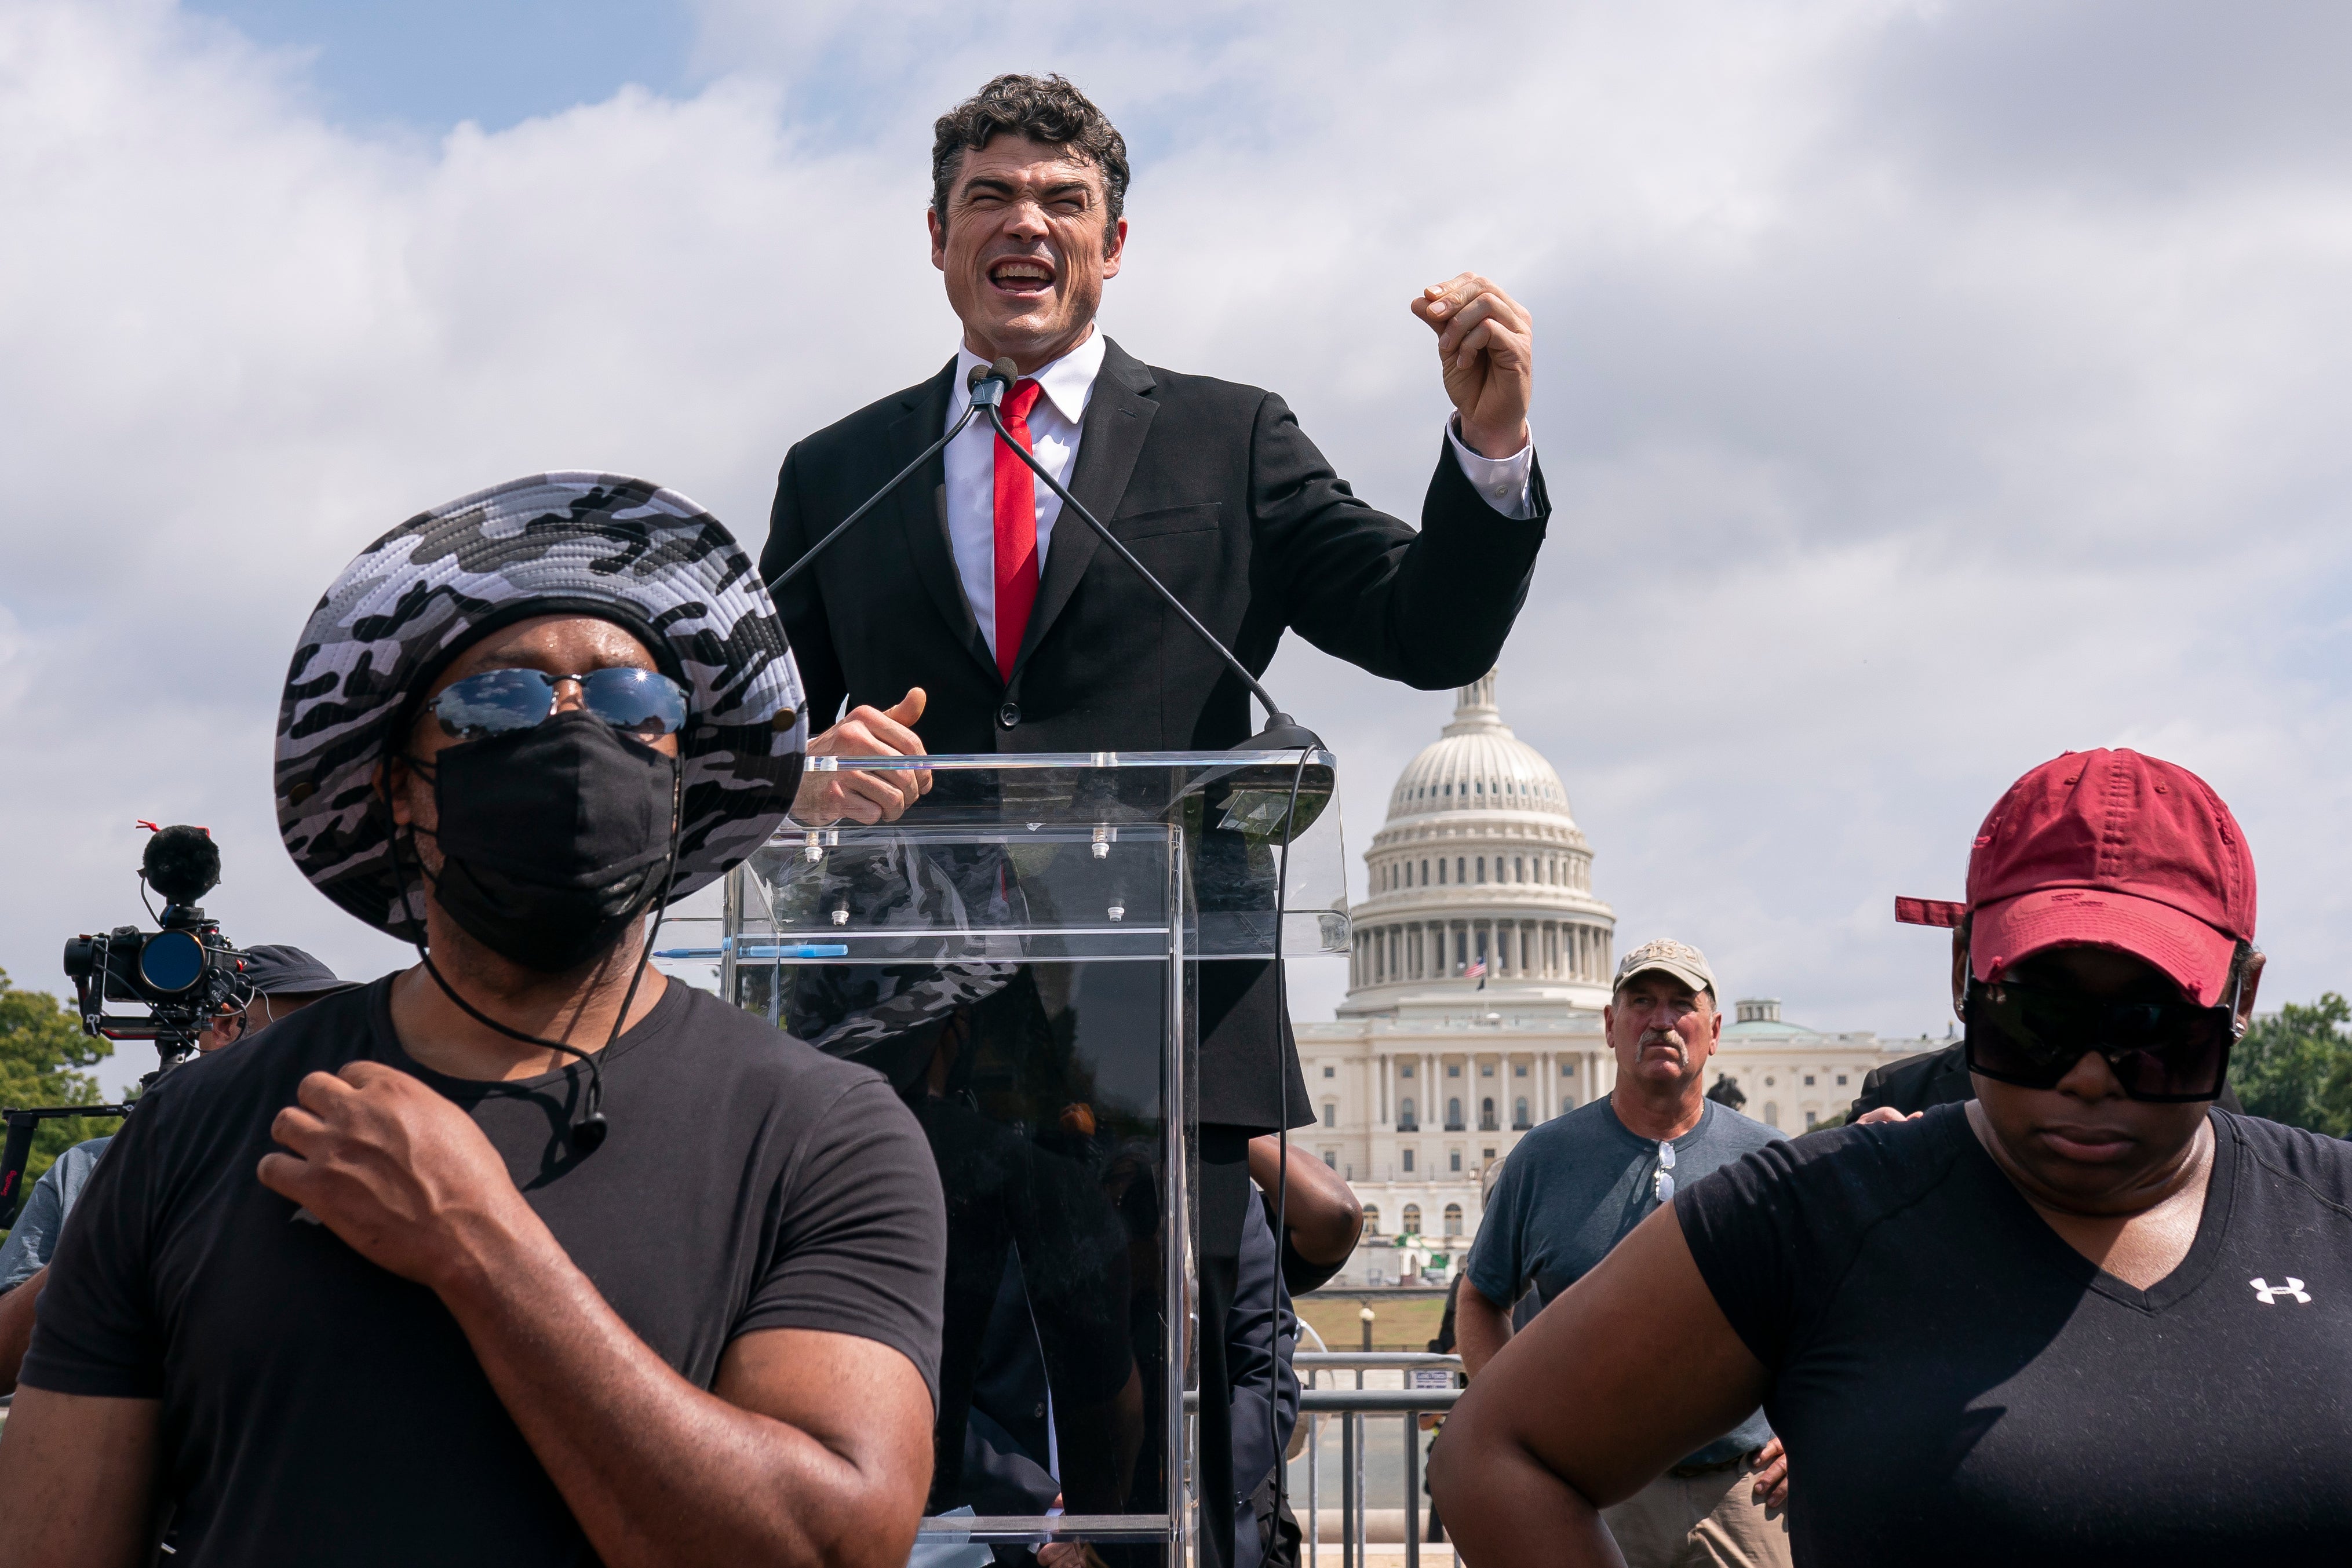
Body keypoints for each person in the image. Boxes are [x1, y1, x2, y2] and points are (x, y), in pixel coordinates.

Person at [758, 73, 1547, 1567]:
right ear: (934, 238)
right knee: (897, 1459)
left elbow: (1420, 624)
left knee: (1151, 1481)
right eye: (990, 197)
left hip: (1152, 1049)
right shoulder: (837, 470)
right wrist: (798, 760)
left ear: (1115, 244)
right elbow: (745, 720)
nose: (1025, 226)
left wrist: (1487, 451)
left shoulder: (1225, 441)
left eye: (1061, 202)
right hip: (900, 1054)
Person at [0, 475, 946, 1568]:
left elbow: (824, 1547)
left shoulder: (821, 1135)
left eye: (636, 708)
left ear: (683, 774)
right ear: (400, 785)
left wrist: (481, 1247)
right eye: (496, 704)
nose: (575, 736)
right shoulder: (197, 1130)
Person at [1430, 747, 2352, 1566]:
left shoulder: (2335, 1214)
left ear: (2241, 996)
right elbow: (1496, 1452)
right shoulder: (1808, 1215)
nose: (2085, 1074)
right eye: (2035, 1014)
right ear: (1961, 975)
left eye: (2150, 1024)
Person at [1452, 939, 1790, 1567]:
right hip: (1593, 1493)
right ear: (1610, 1025)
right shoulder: (1545, 1158)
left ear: (1714, 1031)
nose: (1661, 1020)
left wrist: (1807, 1431)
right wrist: (1505, 1427)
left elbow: (1822, 1316)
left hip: (1742, 1490)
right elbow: (1480, 1297)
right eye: (1641, 1002)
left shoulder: (1771, 1160)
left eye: (1680, 1004)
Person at [0, 946, 361, 1392]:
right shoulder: (84, 1170)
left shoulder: (351, 1171)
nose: (332, 1048)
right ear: (227, 1027)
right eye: (306, 1028)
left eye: (337, 1029)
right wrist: (125, 1220)